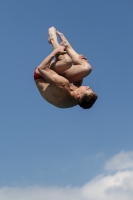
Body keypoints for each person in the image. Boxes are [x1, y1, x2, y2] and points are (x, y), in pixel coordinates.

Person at [34, 27, 98, 109]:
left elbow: (41, 68)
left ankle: (53, 39)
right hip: (56, 79)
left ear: (78, 95)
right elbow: (77, 84)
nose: (88, 86)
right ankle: (66, 45)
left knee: (66, 62)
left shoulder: (63, 86)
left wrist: (55, 52)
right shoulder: (80, 98)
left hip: (41, 75)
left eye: (87, 89)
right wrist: (79, 62)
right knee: (87, 68)